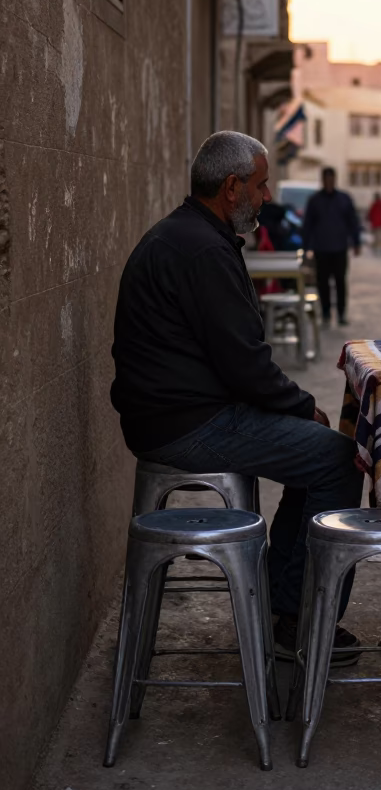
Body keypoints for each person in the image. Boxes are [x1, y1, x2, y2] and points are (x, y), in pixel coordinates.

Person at [110, 131, 363, 661]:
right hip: (188, 423)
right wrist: (302, 407)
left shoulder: (189, 236)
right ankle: (300, 619)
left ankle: (279, 598)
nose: (267, 196)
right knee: (339, 457)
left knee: (314, 453)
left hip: (175, 413)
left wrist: (294, 410)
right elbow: (246, 365)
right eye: (261, 184)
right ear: (231, 188)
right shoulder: (201, 249)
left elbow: (237, 359)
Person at [302, 167, 361, 327]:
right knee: (323, 283)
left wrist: (356, 243)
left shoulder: (344, 199)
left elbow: (353, 222)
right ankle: (326, 313)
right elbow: (308, 225)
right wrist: (306, 247)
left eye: (331, 179)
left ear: (335, 180)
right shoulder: (315, 201)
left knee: (340, 282)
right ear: (323, 180)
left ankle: (341, 314)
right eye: (326, 179)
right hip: (321, 249)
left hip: (340, 248)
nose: (329, 182)